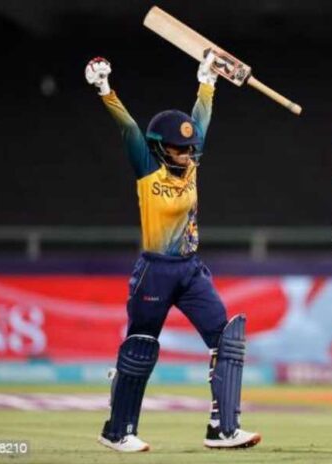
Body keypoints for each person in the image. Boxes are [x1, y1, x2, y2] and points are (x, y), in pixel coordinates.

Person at [85, 54, 261, 452]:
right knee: (141, 347)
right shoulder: (148, 168)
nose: (189, 154)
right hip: (155, 271)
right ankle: (117, 431)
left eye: (191, 149)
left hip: (190, 270)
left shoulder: (191, 163)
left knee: (226, 340)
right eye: (181, 149)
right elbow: (128, 127)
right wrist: (104, 88)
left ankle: (223, 429)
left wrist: (207, 82)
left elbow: (201, 121)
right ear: (162, 149)